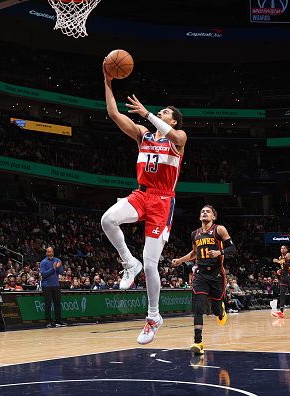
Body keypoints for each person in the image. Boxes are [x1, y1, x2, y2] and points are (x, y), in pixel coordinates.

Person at [100, 59, 187, 344]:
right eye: (159, 112)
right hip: (142, 193)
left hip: (163, 201)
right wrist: (107, 80)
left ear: (173, 119)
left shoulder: (178, 138)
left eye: (165, 113)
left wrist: (149, 114)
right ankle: (128, 263)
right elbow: (113, 114)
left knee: (152, 265)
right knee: (108, 219)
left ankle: (153, 317)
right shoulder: (143, 135)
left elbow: (173, 134)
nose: (159, 113)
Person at [171, 205, 236, 355]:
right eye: (202, 211)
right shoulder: (195, 234)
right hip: (200, 274)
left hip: (216, 275)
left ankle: (221, 311)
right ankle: (198, 342)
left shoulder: (219, 229)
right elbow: (194, 253)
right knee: (198, 308)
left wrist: (220, 252)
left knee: (216, 310)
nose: (204, 213)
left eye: (208, 211)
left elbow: (233, 248)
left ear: (213, 217)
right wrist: (180, 260)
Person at [39, 246, 66, 328]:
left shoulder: (57, 260)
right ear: (46, 253)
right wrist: (53, 269)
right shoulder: (43, 262)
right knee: (48, 304)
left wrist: (59, 267)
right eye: (48, 252)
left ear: (53, 252)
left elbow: (61, 272)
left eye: (51, 252)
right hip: (46, 285)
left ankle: (58, 321)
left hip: (56, 285)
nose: (50, 253)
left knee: (57, 303)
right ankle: (48, 322)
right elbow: (44, 274)